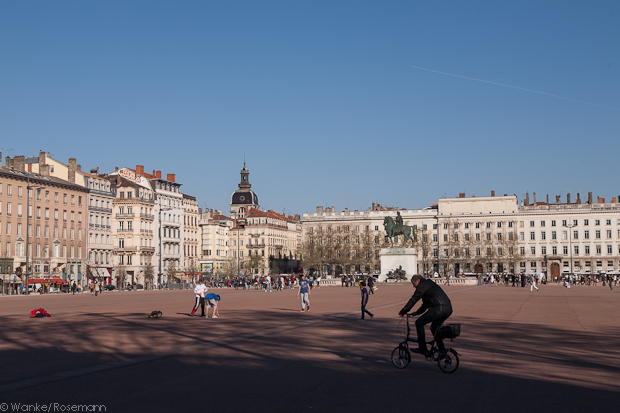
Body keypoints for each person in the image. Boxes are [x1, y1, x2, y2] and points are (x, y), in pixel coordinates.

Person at [398, 275, 453, 357]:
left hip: (438, 309)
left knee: (419, 323)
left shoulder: (422, 286)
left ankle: (422, 348)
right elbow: (425, 304)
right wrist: (417, 313)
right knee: (434, 328)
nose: (414, 286)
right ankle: (442, 350)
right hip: (447, 309)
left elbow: (413, 299)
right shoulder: (428, 284)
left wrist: (403, 311)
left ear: (418, 280)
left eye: (414, 283)